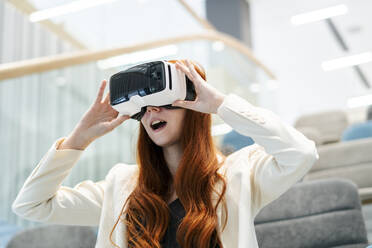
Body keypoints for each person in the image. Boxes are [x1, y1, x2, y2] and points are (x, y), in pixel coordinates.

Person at [12, 59, 319, 248]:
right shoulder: (121, 186)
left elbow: (300, 154)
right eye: (142, 108)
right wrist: (79, 138)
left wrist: (221, 105)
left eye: (164, 101)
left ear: (193, 106)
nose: (151, 112)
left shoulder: (240, 174)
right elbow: (32, 205)